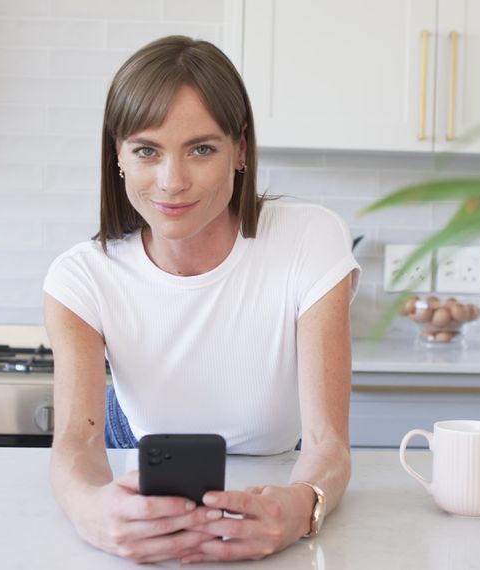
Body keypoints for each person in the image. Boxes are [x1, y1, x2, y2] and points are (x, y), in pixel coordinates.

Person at [43, 35, 360, 564]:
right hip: (145, 485)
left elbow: (329, 442)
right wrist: (91, 513)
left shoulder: (311, 239)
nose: (172, 182)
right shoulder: (81, 277)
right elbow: (76, 444)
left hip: (279, 477)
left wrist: (303, 508)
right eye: (147, 150)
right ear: (117, 156)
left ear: (240, 150)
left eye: (201, 149)